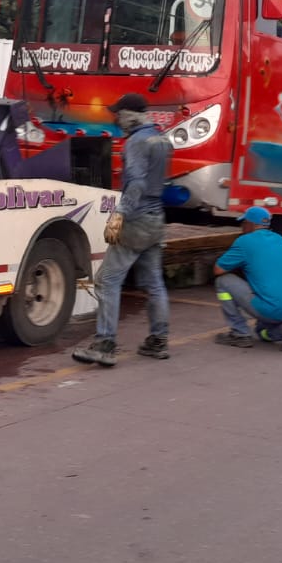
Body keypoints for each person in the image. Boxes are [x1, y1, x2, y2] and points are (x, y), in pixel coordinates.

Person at [73, 93, 172, 367]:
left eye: (119, 113)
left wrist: (119, 214)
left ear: (131, 114)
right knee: (154, 283)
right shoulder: (162, 139)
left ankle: (105, 344)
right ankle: (158, 341)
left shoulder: (136, 143)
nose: (116, 118)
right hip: (156, 219)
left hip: (137, 219)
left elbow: (137, 183)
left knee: (107, 280)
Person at [212, 207, 282, 350]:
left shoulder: (244, 241)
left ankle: (240, 333)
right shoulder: (280, 239)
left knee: (222, 282)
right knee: (261, 332)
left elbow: (218, 270)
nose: (241, 227)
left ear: (250, 224)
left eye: (243, 224)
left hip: (270, 308)